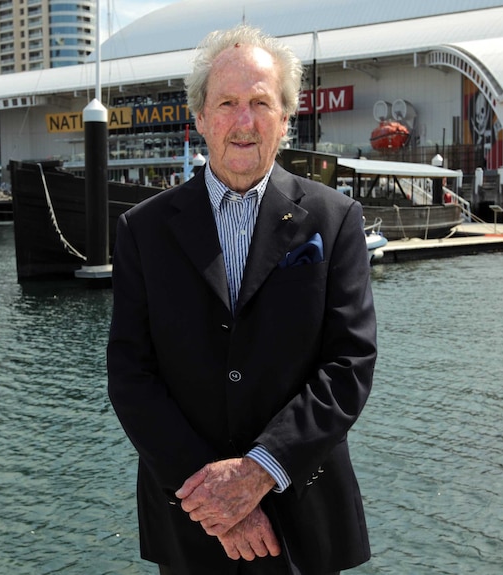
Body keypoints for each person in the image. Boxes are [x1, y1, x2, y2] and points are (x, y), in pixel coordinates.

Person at [107, 24, 377, 575]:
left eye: (260, 102)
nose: (244, 121)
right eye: (227, 103)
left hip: (303, 519)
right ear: (201, 119)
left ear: (285, 117)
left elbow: (349, 364)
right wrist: (216, 502)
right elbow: (131, 376)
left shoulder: (336, 219)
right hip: (190, 522)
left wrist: (256, 472)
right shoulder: (144, 230)